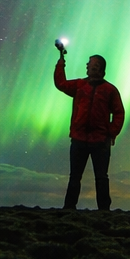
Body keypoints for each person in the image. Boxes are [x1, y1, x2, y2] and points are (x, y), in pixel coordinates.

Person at [53, 45, 125, 210]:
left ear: (99, 68)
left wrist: (111, 133)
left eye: (91, 64)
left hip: (100, 141)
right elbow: (61, 83)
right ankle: (69, 208)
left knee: (101, 177)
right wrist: (60, 64)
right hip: (79, 139)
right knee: (75, 177)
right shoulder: (80, 85)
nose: (88, 66)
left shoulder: (109, 90)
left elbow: (119, 113)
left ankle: (103, 210)